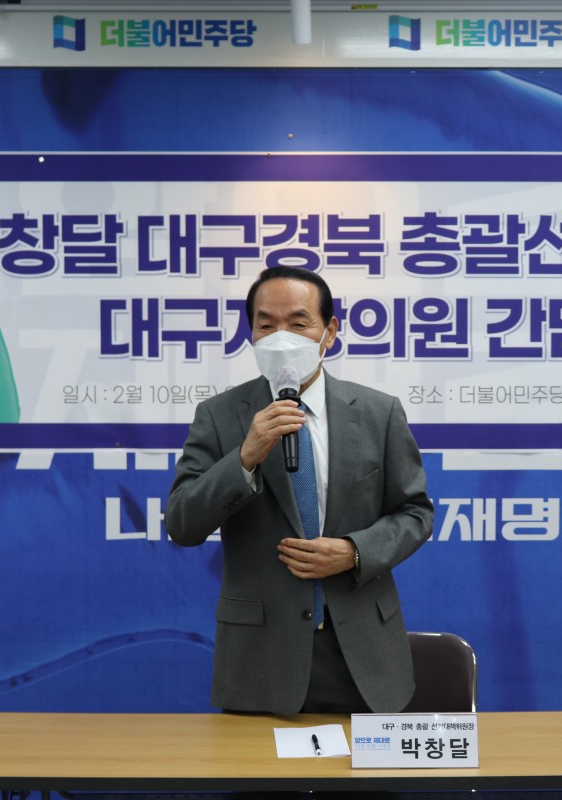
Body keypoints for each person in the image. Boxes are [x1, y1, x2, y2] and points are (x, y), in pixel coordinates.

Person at [166, 266, 434, 715]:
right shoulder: (220, 415)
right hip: (261, 657)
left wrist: (354, 552)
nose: (281, 338)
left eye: (298, 323)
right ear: (251, 334)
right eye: (266, 325)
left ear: (329, 332)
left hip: (364, 652)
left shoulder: (378, 412)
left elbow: (415, 513)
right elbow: (182, 523)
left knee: (369, 765)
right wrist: (244, 457)